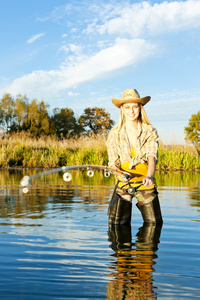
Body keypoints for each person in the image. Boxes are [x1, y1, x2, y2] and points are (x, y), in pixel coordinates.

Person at [107, 88, 163, 225]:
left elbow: (152, 155)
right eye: (127, 107)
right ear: (122, 109)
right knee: (116, 225)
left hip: (146, 182)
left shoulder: (149, 130)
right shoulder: (114, 134)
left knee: (154, 224)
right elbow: (112, 164)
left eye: (134, 107)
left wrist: (149, 176)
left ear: (140, 108)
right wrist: (120, 173)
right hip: (124, 183)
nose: (131, 111)